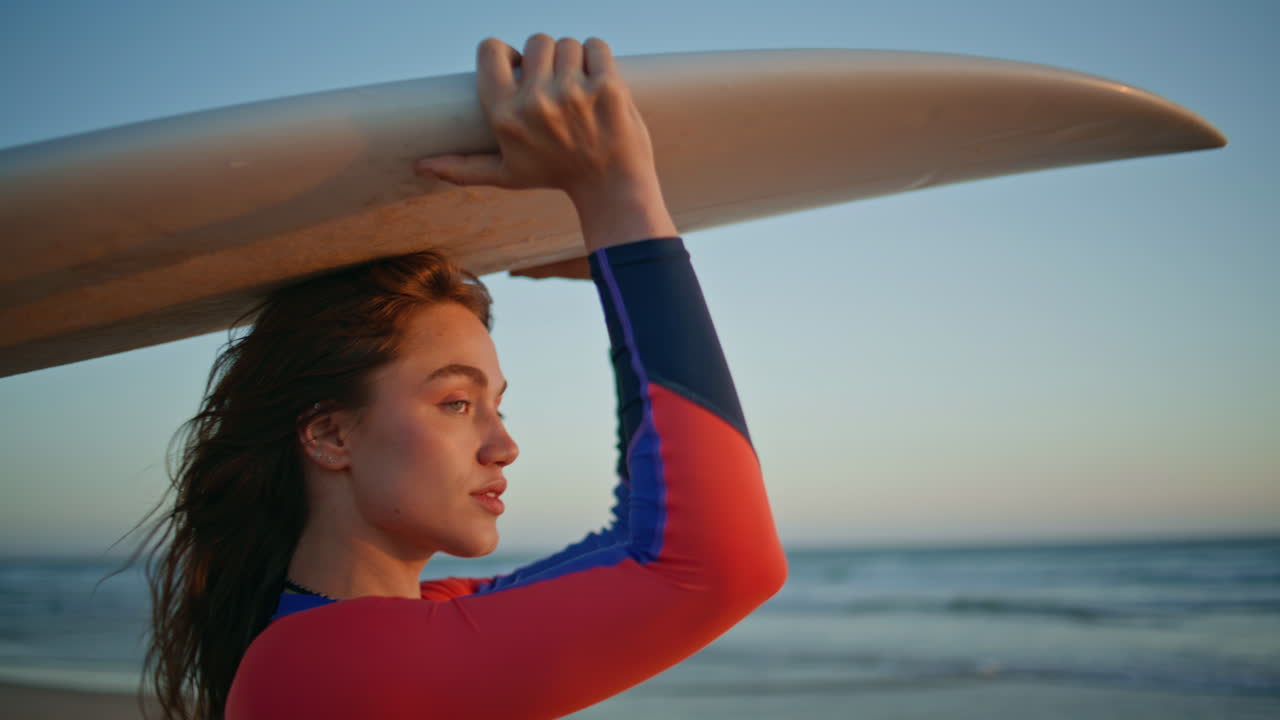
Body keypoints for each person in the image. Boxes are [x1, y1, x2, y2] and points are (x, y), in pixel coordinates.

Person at [136, 34, 786, 720]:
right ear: (329, 434)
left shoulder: (390, 629)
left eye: (496, 405)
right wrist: (615, 203)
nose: (503, 445)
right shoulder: (322, 664)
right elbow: (716, 565)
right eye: (454, 402)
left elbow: (648, 545)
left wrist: (617, 256)